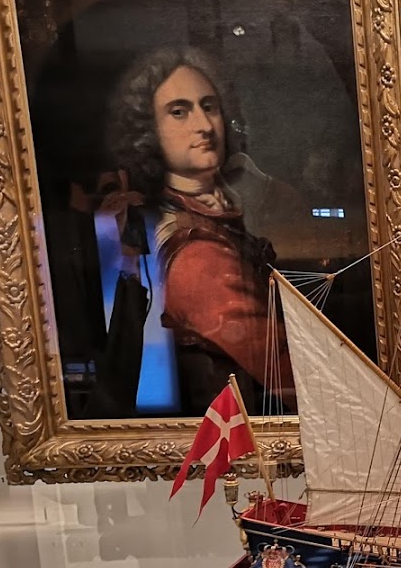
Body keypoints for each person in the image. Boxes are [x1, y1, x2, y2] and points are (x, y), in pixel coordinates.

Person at [106, 47, 295, 414]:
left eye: (209, 107)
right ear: (149, 131)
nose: (205, 126)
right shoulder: (197, 256)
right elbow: (282, 369)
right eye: (179, 111)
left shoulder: (228, 205)